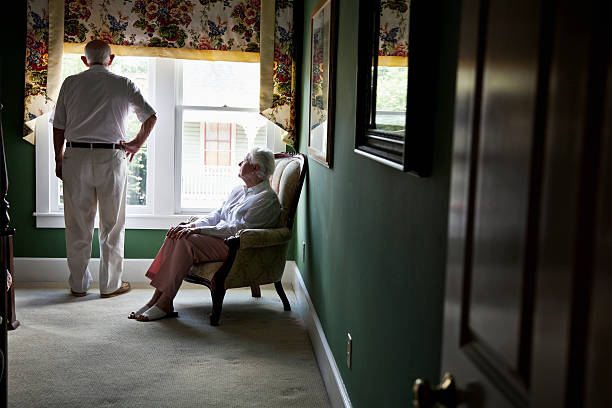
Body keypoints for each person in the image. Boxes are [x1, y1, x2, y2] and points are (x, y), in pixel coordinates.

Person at [52, 39, 157, 298]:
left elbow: (59, 126)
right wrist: (135, 143)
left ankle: (78, 285)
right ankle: (110, 286)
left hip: (75, 156)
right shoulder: (124, 83)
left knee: (77, 224)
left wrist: (59, 158)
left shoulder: (71, 83)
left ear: (85, 60)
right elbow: (150, 116)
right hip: (111, 157)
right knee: (112, 224)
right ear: (111, 59)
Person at [130, 147, 280, 322]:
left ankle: (165, 302)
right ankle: (157, 300)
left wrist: (197, 231)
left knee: (186, 241)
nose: (240, 163)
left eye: (245, 160)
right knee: (176, 233)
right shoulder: (239, 190)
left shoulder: (266, 199)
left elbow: (236, 230)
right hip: (219, 238)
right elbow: (217, 215)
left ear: (255, 168)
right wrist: (192, 225)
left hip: (235, 246)